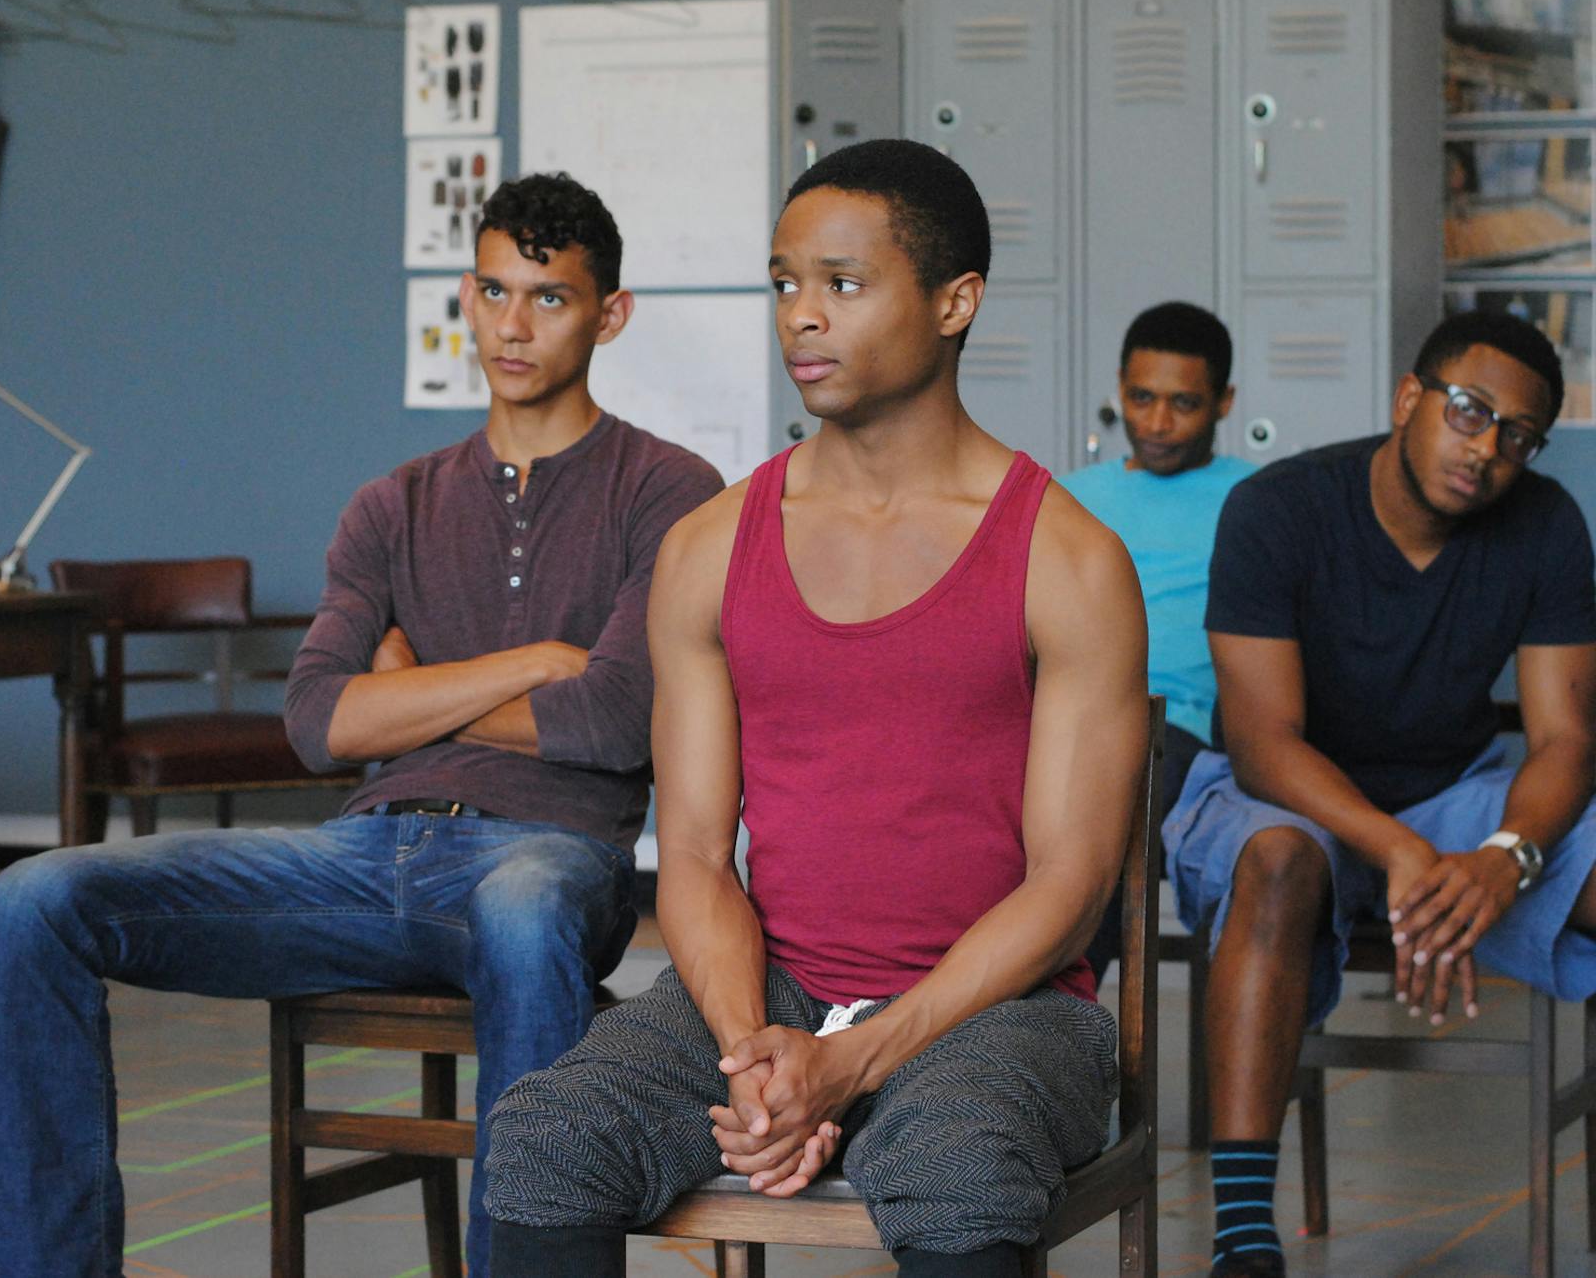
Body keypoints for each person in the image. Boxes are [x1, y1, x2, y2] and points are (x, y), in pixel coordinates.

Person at [0, 172, 722, 1278]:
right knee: (34, 896)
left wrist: (414, 698)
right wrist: (532, 663)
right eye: (492, 290)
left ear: (608, 314)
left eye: (550, 297)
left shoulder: (668, 490)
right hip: (359, 854)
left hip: (549, 857)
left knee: (521, 911)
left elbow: (615, 719)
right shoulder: (393, 502)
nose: (512, 325)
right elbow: (321, 723)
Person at [483, 139, 1148, 1278]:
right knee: (546, 1136)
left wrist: (855, 1059)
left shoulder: (1067, 559)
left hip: (1003, 1002)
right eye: (785, 282)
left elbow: (1069, 883)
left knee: (956, 1160)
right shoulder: (707, 549)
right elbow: (692, 850)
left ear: (955, 301)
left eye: (843, 284)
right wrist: (757, 1054)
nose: (803, 316)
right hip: (773, 984)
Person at [1167, 311, 1596, 1278]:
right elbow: (1261, 742)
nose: (1487, 449)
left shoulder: (1547, 527)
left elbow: (1566, 737)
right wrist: (1396, 849)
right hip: (1292, 791)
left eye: (1518, 434)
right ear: (1411, 398)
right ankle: (1244, 1240)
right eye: (1470, 411)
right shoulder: (1280, 509)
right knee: (1275, 860)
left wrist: (1509, 852)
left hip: (1454, 793)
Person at [1063, 301, 1255, 977]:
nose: (1157, 422)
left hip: (1183, 735)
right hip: (1068, 720)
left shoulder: (1259, 500)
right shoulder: (1070, 496)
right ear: (1120, 388)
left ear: (1224, 402)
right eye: (1141, 398)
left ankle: (1062, 1019)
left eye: (1184, 403)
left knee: (1104, 821)